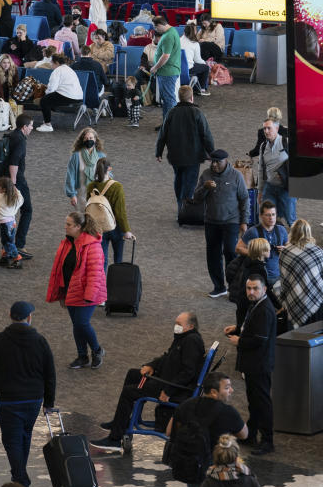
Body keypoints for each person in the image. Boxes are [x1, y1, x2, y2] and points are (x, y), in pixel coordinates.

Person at [91, 312, 205, 452]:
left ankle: (114, 439)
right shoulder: (182, 338)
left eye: (179, 324)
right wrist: (151, 365)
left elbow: (189, 372)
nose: (176, 327)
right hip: (167, 378)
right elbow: (167, 357)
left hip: (174, 388)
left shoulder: (192, 341)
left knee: (129, 392)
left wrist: (168, 391)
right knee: (133, 374)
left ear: (191, 326)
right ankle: (121, 422)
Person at [0, 301, 56, 487]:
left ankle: (19, 477)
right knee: (25, 435)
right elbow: (50, 374)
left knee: (11, 440)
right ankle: (20, 474)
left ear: (10, 316)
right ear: (30, 318)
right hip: (33, 399)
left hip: (8, 401)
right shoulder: (40, 341)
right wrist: (48, 402)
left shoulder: (0, 340)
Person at [225, 275, 278, 455]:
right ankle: (251, 433)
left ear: (264, 289)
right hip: (254, 363)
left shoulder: (264, 310)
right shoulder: (257, 305)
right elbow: (253, 328)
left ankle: (267, 440)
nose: (251, 292)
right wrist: (238, 328)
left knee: (262, 403)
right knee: (254, 402)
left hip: (259, 364)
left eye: (255, 288)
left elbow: (259, 339)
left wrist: (240, 340)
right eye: (248, 288)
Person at [46, 212, 107, 370]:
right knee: (77, 325)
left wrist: (89, 296)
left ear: (79, 227)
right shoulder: (67, 243)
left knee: (82, 323)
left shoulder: (92, 246)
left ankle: (97, 350)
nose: (65, 227)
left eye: (68, 225)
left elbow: (95, 273)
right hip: (70, 290)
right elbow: (60, 269)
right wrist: (61, 292)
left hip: (87, 294)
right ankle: (82, 356)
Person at [194, 149, 249, 298]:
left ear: (226, 161)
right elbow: (196, 198)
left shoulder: (236, 176)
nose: (214, 164)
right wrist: (205, 188)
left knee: (230, 252)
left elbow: (244, 199)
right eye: (212, 161)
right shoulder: (206, 175)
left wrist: (244, 221)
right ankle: (219, 287)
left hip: (231, 221)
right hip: (211, 221)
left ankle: (233, 287)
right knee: (212, 254)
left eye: (217, 161)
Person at [155, 85, 215, 213]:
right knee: (190, 183)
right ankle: (184, 210)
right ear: (192, 97)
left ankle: (180, 204)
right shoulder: (197, 113)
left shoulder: (171, 112)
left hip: (175, 155)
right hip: (193, 156)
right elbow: (206, 135)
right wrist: (212, 153)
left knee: (179, 178)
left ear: (179, 98)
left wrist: (158, 151)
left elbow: (162, 134)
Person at [279, 218, 323, 328]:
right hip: (316, 297)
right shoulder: (317, 251)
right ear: (309, 232)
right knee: (315, 332)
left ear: (292, 232)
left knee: (296, 335)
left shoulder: (286, 252)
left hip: (294, 300)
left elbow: (284, 279)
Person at [86, 158, 134, 267]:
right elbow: (120, 212)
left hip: (98, 228)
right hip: (115, 227)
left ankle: (101, 283)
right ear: (110, 169)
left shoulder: (91, 186)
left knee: (102, 260)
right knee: (118, 259)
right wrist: (126, 230)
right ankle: (116, 282)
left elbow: (88, 208)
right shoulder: (117, 187)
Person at [251, 116, 294, 226]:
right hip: (269, 187)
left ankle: (299, 241)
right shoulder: (263, 146)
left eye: (269, 128)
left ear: (277, 128)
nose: (266, 131)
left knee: (290, 219)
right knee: (267, 217)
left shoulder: (287, 142)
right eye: (264, 129)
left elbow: (300, 164)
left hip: (286, 189)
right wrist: (260, 191)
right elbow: (261, 170)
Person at [237, 200, 289, 287]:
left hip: (278, 276)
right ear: (261, 216)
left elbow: (288, 246)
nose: (271, 218)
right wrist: (256, 253)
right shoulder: (253, 231)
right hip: (259, 277)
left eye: (273, 214)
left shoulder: (282, 230)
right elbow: (238, 248)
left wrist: (285, 249)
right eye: (268, 215)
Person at [9, 114, 35, 260]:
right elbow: (14, 162)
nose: (32, 128)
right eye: (31, 125)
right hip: (17, 180)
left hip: (7, 179)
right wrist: (14, 184)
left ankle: (9, 246)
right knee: (27, 210)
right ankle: (18, 245)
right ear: (24, 127)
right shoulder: (21, 141)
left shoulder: (12, 135)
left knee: (10, 213)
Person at [36, 54, 83, 133]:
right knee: (50, 99)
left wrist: (45, 94)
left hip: (68, 96)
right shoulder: (68, 69)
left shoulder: (57, 70)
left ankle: (48, 125)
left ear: (57, 62)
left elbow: (51, 89)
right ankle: (46, 122)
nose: (50, 64)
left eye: (52, 62)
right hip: (78, 97)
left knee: (44, 100)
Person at [150, 16, 182, 122]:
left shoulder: (168, 36)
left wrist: (155, 68)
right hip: (168, 71)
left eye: (155, 27)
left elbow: (165, 56)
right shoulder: (172, 31)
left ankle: (171, 125)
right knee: (167, 99)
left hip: (167, 72)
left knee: (168, 99)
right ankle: (166, 123)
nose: (155, 30)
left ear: (160, 25)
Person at [64, 127, 106, 208]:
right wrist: (72, 194)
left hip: (98, 193)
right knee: (83, 218)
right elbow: (70, 176)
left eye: (91, 138)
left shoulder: (101, 156)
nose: (88, 140)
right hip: (81, 194)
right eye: (86, 138)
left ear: (95, 139)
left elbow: (107, 175)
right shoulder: (76, 156)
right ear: (82, 140)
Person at [0, 176, 25, 269]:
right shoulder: (16, 199)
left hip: (4, 224)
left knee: (6, 242)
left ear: (3, 189)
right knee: (9, 240)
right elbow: (21, 199)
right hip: (12, 223)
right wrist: (15, 189)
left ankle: (17, 259)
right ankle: (5, 257)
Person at [180, 23, 210, 95]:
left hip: (177, 67)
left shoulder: (178, 40)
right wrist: (205, 62)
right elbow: (197, 60)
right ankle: (202, 89)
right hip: (188, 68)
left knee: (198, 66)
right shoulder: (195, 43)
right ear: (194, 32)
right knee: (205, 68)